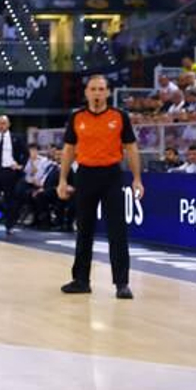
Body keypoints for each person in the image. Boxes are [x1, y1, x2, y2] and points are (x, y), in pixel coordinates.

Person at [58, 75, 143, 300]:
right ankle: (81, 280)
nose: (97, 93)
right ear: (86, 92)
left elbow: (131, 148)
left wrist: (136, 178)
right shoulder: (76, 117)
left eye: (101, 89)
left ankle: (122, 283)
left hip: (112, 175)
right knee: (84, 229)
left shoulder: (119, 116)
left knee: (117, 231)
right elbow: (68, 149)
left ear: (107, 92)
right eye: (93, 89)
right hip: (85, 174)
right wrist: (63, 180)